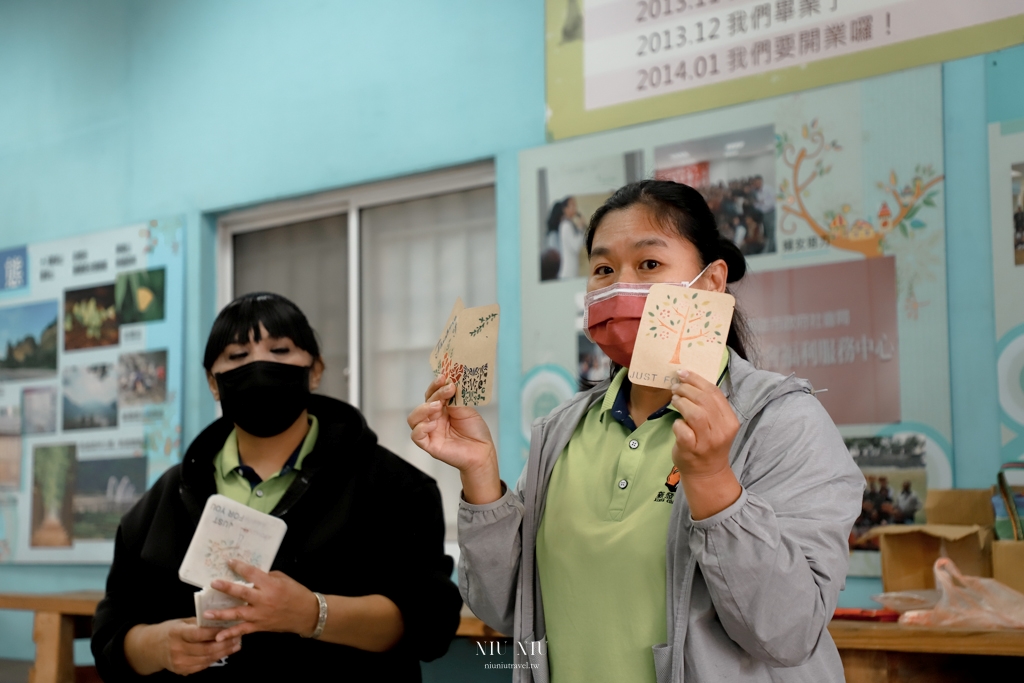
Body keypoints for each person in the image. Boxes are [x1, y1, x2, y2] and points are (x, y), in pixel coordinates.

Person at [409, 180, 864, 683]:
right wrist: (480, 475)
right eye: (603, 269)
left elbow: (787, 633)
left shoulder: (781, 421)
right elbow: (507, 610)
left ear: (712, 283)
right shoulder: (561, 431)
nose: (619, 287)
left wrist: (714, 481)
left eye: (649, 264)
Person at [92, 292, 461, 681]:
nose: (259, 366)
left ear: (315, 370)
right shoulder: (163, 501)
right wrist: (158, 646)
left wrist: (311, 613)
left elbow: (431, 625)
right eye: (237, 357)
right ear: (213, 383)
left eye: (280, 350)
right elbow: (111, 634)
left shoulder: (394, 487)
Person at [557, 196, 585, 279]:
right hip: (568, 273)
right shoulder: (566, 225)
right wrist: (580, 228)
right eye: (572, 205)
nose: (575, 207)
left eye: (575, 205)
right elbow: (576, 247)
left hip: (572, 271)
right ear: (565, 209)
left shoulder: (569, 224)